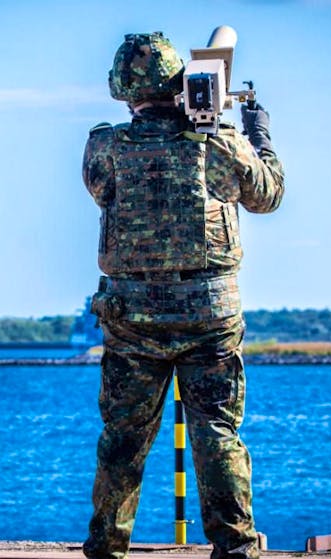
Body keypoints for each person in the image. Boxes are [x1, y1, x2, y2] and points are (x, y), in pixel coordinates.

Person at [81, 32, 284, 559]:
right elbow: (268, 194)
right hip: (209, 316)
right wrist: (257, 135)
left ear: (123, 92)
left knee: (124, 437)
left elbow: (100, 185)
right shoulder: (216, 144)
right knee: (216, 431)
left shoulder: (105, 148)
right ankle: (235, 545)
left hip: (132, 319)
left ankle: (106, 545)